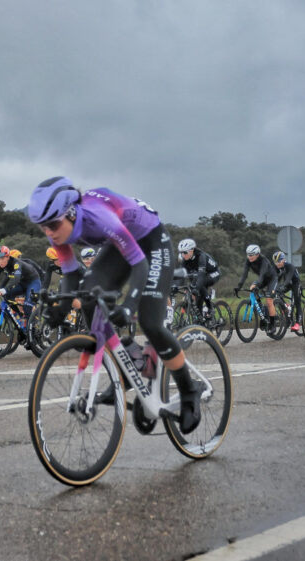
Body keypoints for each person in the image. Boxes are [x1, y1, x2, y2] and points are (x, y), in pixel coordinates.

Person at [26, 176, 203, 434]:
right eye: (43, 227)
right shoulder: (58, 234)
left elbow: (139, 265)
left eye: (53, 224)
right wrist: (59, 310)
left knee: (150, 321)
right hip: (120, 244)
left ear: (72, 213)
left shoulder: (99, 218)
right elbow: (72, 277)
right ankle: (127, 361)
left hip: (152, 241)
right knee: (88, 294)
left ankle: (190, 390)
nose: (49, 232)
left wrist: (130, 305)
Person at [0, 245, 43, 333]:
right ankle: (21, 316)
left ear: (8, 257)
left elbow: (16, 279)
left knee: (27, 305)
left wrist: (4, 289)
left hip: (33, 281)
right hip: (22, 283)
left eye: (2, 258)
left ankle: (32, 331)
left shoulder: (16, 263)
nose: (0, 261)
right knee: (7, 296)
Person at [234, 244, 279, 330]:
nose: (249, 257)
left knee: (269, 300)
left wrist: (256, 284)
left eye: (251, 255)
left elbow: (262, 275)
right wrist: (239, 286)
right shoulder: (248, 261)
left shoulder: (263, 261)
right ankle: (264, 316)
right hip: (262, 279)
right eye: (248, 254)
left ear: (257, 254)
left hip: (271, 279)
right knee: (252, 290)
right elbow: (244, 274)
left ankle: (273, 325)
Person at [177, 238, 221, 319]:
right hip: (199, 275)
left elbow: (201, 275)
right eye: (181, 253)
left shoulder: (201, 256)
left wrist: (196, 288)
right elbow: (181, 275)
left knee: (201, 284)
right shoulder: (185, 260)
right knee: (198, 301)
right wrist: (177, 287)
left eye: (185, 252)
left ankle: (210, 307)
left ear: (191, 250)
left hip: (213, 273)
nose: (183, 255)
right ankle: (201, 323)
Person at [272, 250, 302, 332]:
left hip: (295, 283)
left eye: (278, 261)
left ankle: (297, 323)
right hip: (288, 284)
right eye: (275, 262)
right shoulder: (277, 267)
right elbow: (275, 279)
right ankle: (286, 307)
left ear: (283, 260)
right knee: (277, 293)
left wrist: (283, 286)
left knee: (297, 301)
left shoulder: (289, 266)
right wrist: (273, 288)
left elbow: (288, 278)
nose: (277, 264)